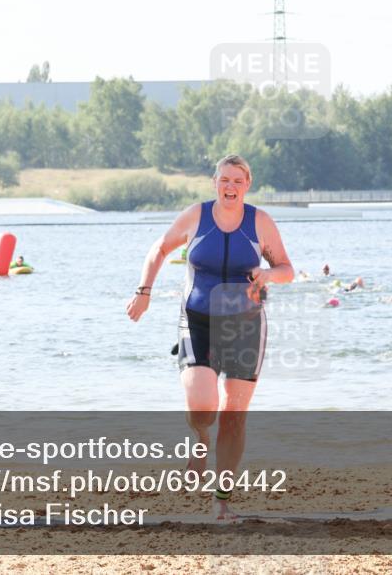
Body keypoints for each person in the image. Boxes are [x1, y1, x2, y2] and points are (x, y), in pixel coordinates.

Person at [126, 154, 294, 520]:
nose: (230, 186)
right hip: (197, 319)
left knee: (235, 414)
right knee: (203, 409)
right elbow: (159, 249)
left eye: (237, 180)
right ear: (214, 183)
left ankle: (222, 501)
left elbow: (287, 268)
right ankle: (199, 441)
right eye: (224, 180)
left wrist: (268, 275)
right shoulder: (195, 217)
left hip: (246, 325)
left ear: (247, 185)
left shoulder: (260, 222)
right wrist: (144, 290)